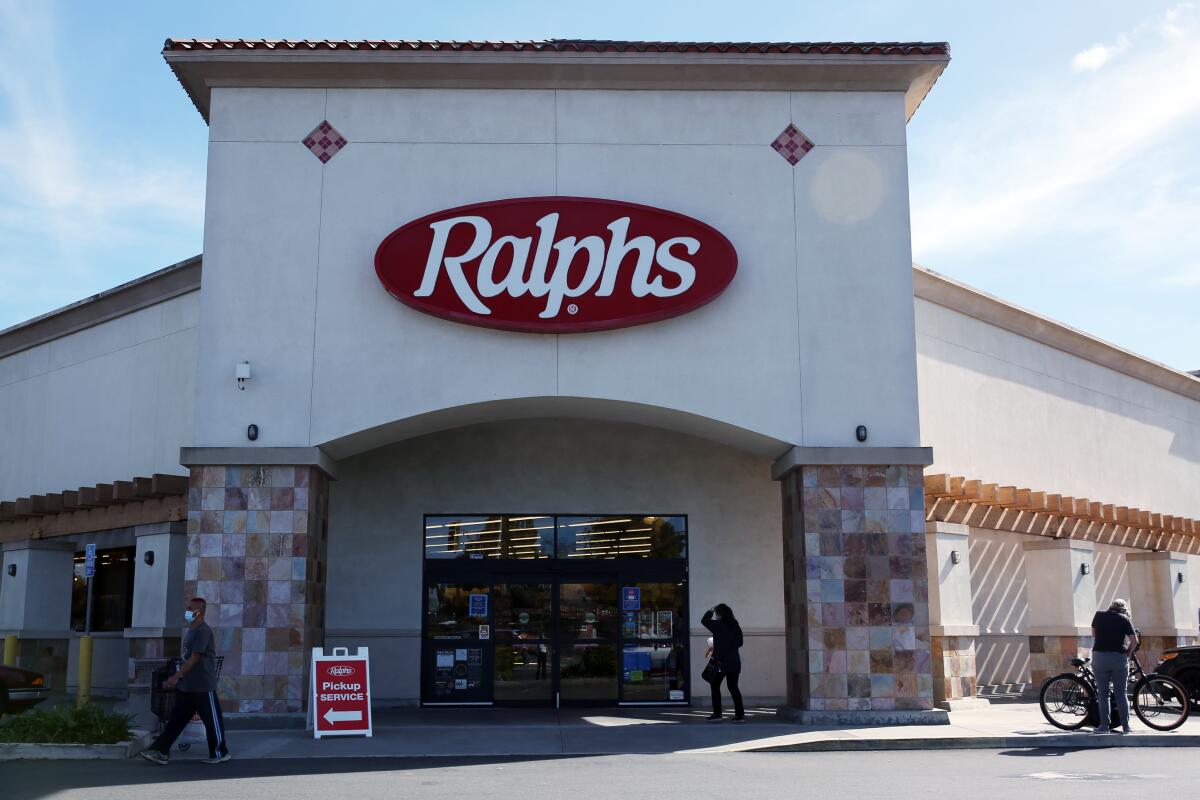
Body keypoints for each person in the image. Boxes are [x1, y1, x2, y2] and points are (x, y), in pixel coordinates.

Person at [140, 597, 232, 764]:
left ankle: (220, 752)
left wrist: (176, 676)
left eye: (190, 609)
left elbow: (194, 658)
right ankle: (161, 751)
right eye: (187, 608)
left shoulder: (203, 631)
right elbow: (186, 657)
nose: (187, 611)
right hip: (188, 686)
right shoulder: (191, 630)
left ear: (199, 612)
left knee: (212, 720)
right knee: (176, 720)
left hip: (202, 685)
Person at [1091, 598, 1138, 734]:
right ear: (1124, 609)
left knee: (1103, 694)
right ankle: (1126, 727)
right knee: (1121, 694)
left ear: (1111, 606)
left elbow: (1094, 635)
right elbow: (1134, 641)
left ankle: (1104, 727)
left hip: (1100, 657)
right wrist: (1128, 653)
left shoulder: (1099, 615)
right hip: (1119, 658)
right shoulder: (1124, 619)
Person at [701, 603, 744, 722]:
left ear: (719, 614)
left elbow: (704, 620)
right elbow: (740, 643)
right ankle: (740, 715)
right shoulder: (735, 625)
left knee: (715, 685)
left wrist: (712, 609)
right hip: (734, 661)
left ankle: (717, 714)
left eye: (716, 614)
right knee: (733, 687)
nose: (715, 616)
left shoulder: (718, 625)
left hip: (721, 662)